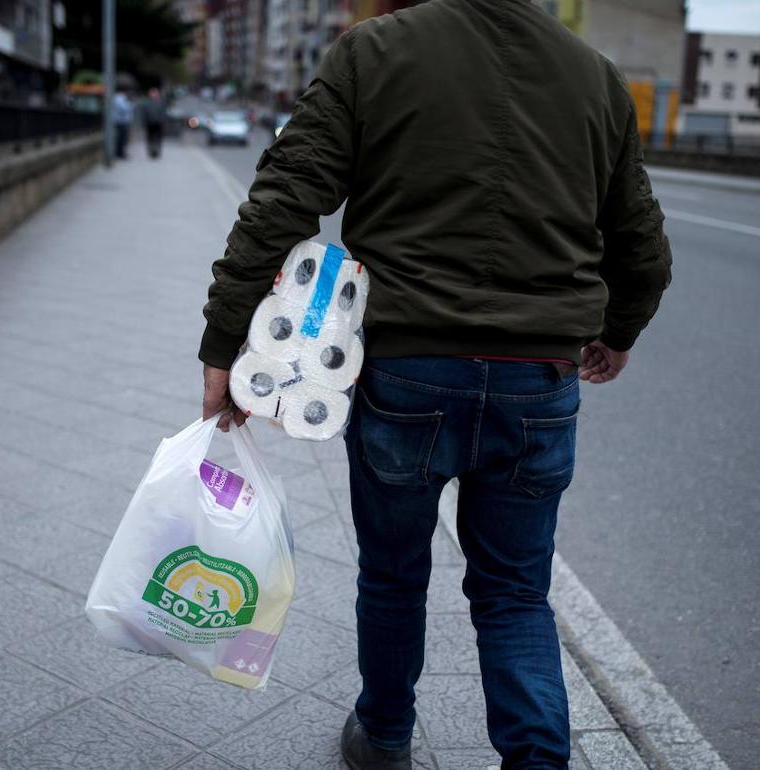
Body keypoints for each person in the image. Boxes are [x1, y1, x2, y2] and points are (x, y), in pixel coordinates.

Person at [199, 1, 672, 768]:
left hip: (407, 372)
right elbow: (642, 245)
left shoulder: (374, 52)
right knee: (516, 592)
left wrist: (226, 341)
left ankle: (384, 737)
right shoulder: (597, 80)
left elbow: (285, 197)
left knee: (393, 573)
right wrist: (619, 330)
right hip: (538, 378)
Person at [141, 87, 167, 159]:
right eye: (152, 93)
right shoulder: (147, 103)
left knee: (158, 138)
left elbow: (163, 113)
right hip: (149, 123)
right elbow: (144, 113)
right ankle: (151, 151)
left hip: (158, 123)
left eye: (155, 93)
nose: (154, 95)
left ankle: (157, 151)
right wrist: (144, 122)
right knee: (150, 137)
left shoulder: (161, 103)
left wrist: (163, 121)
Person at [110, 89, 133, 159]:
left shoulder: (116, 98)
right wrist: (130, 105)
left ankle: (120, 153)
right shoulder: (120, 99)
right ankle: (120, 153)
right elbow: (124, 109)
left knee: (121, 138)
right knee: (122, 138)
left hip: (119, 121)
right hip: (121, 122)